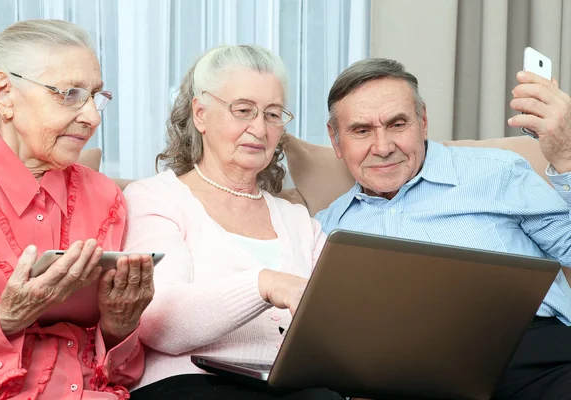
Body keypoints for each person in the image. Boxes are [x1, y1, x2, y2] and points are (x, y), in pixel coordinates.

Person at [315, 58, 571, 400]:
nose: (383, 147)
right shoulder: (325, 230)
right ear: (336, 139)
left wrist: (567, 157)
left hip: (532, 354)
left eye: (397, 124)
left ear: (422, 121)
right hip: (413, 376)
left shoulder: (496, 173)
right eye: (361, 130)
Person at [123, 45, 343, 399]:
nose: (259, 128)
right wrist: (264, 284)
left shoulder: (298, 220)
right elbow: (158, 323)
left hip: (294, 388)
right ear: (200, 114)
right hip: (191, 386)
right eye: (243, 110)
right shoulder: (155, 198)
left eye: (273, 115)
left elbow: (333, 321)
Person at [0, 20, 154, 399]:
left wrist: (119, 326)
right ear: (5, 93)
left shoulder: (105, 197)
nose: (93, 116)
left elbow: (125, 373)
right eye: (69, 94)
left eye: (95, 96)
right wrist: (4, 319)